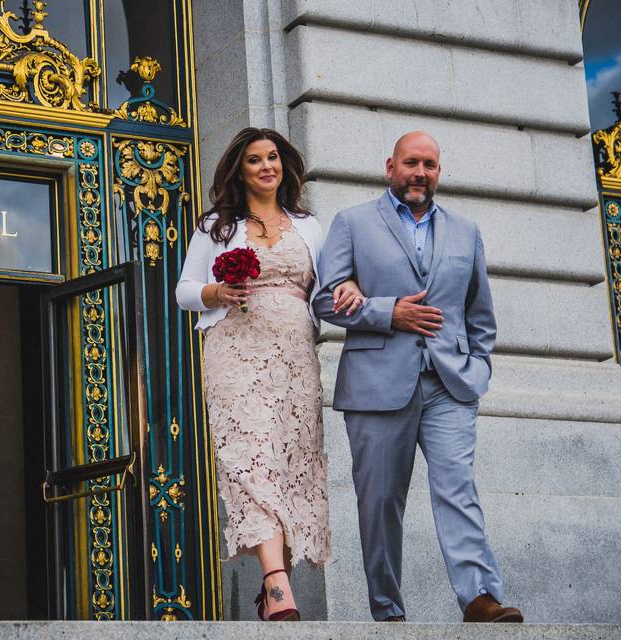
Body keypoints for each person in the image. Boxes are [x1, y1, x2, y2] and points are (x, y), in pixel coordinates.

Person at [313, 131, 523, 623]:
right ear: (390, 167)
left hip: (450, 385)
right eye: (411, 163)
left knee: (458, 488)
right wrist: (389, 313)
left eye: (430, 164)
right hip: (377, 386)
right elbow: (325, 300)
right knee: (381, 502)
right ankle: (387, 611)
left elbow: (480, 315)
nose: (420, 173)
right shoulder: (353, 223)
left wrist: (478, 369)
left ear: (438, 172)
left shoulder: (466, 232)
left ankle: (478, 597)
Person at [176, 127, 363, 621]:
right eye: (255, 159)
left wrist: (351, 293)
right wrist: (216, 292)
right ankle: (277, 583)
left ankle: (276, 582)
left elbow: (328, 289)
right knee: (248, 456)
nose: (266, 166)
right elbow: (184, 290)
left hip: (294, 354)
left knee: (289, 457)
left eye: (273, 158)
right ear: (240, 169)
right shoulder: (216, 225)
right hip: (234, 350)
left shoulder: (308, 225)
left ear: (284, 166)